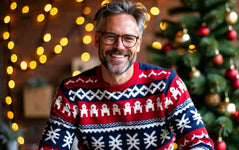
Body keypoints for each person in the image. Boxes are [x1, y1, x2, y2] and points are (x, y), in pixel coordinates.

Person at [39, 0, 214, 149]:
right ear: (97, 39)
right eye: (110, 37)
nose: (119, 46)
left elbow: (200, 143)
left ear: (138, 44)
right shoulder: (72, 92)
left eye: (128, 38)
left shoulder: (166, 85)